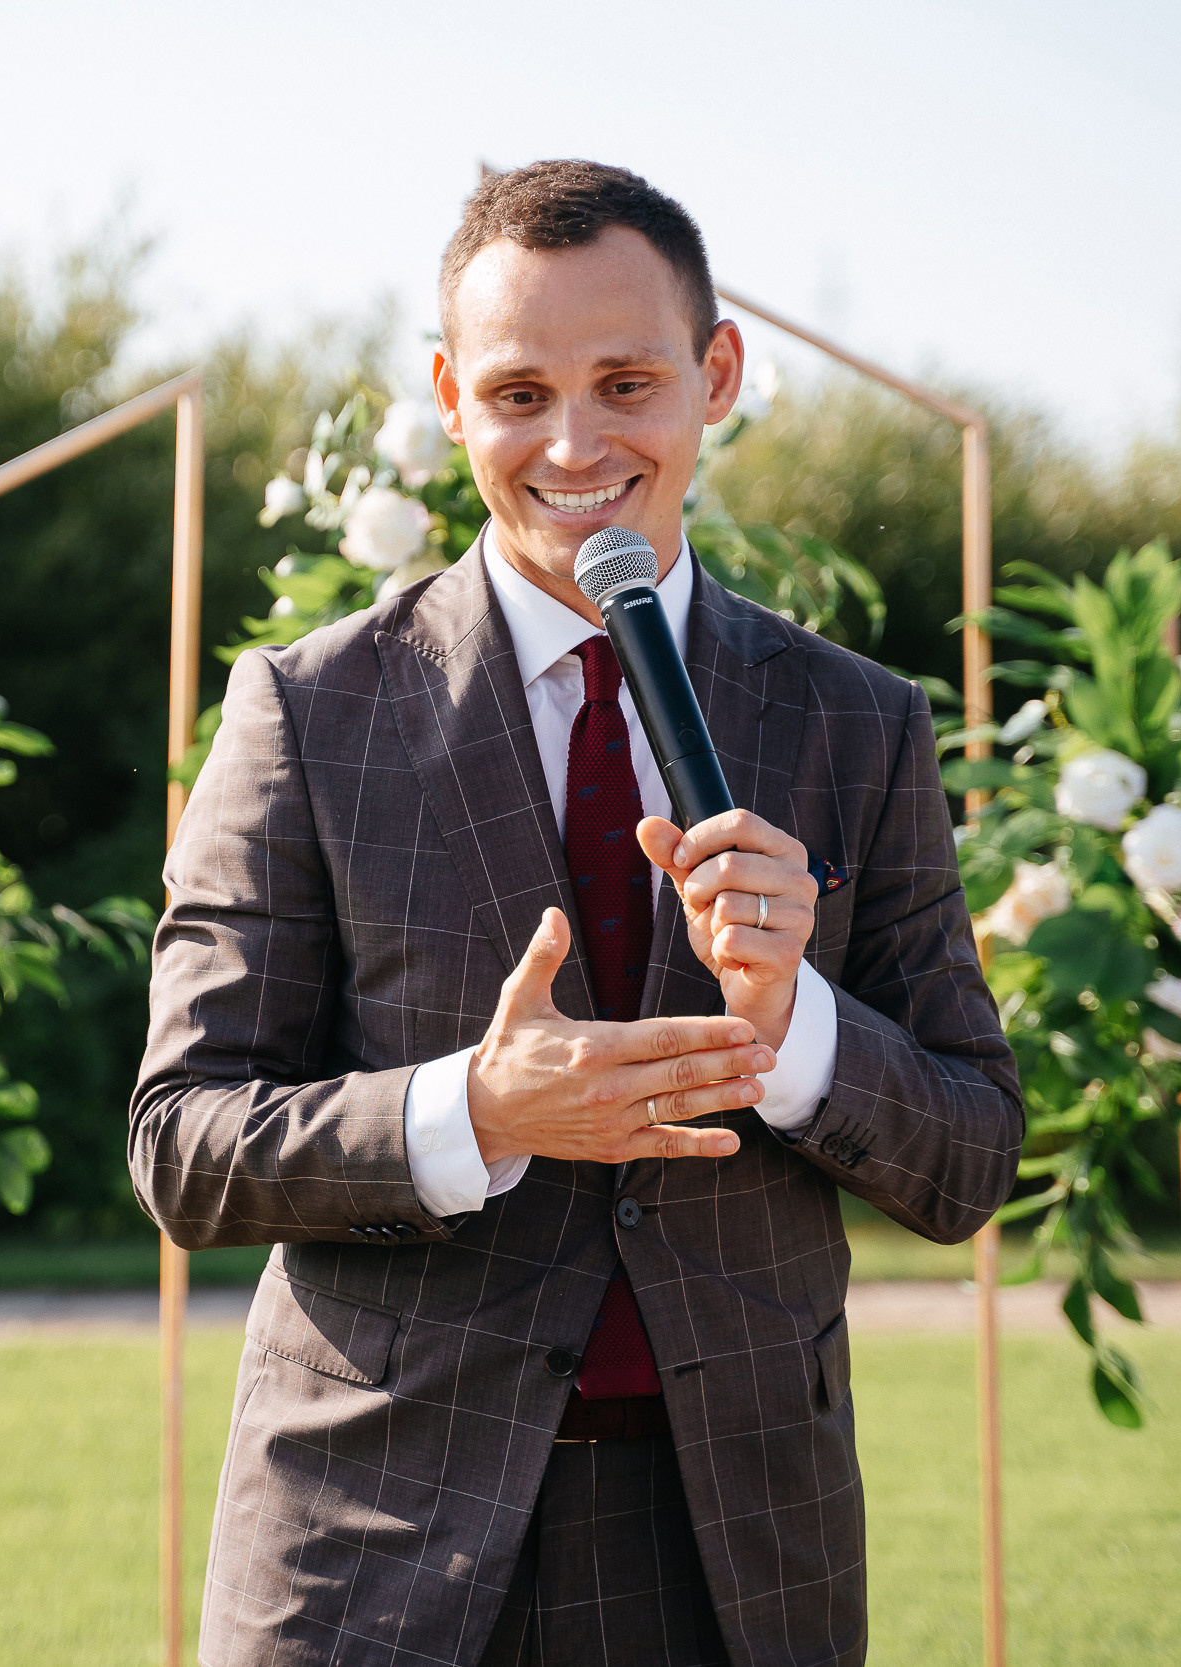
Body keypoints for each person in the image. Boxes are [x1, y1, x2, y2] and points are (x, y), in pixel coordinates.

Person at [131, 159, 1023, 1667]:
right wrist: (471, 1109)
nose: (574, 442)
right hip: (371, 1549)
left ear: (716, 374)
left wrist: (794, 1024)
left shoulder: (857, 724)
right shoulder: (307, 710)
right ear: (448, 397)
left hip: (733, 1560)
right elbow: (184, 1146)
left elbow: (971, 1155)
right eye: (519, 391)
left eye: (626, 382)